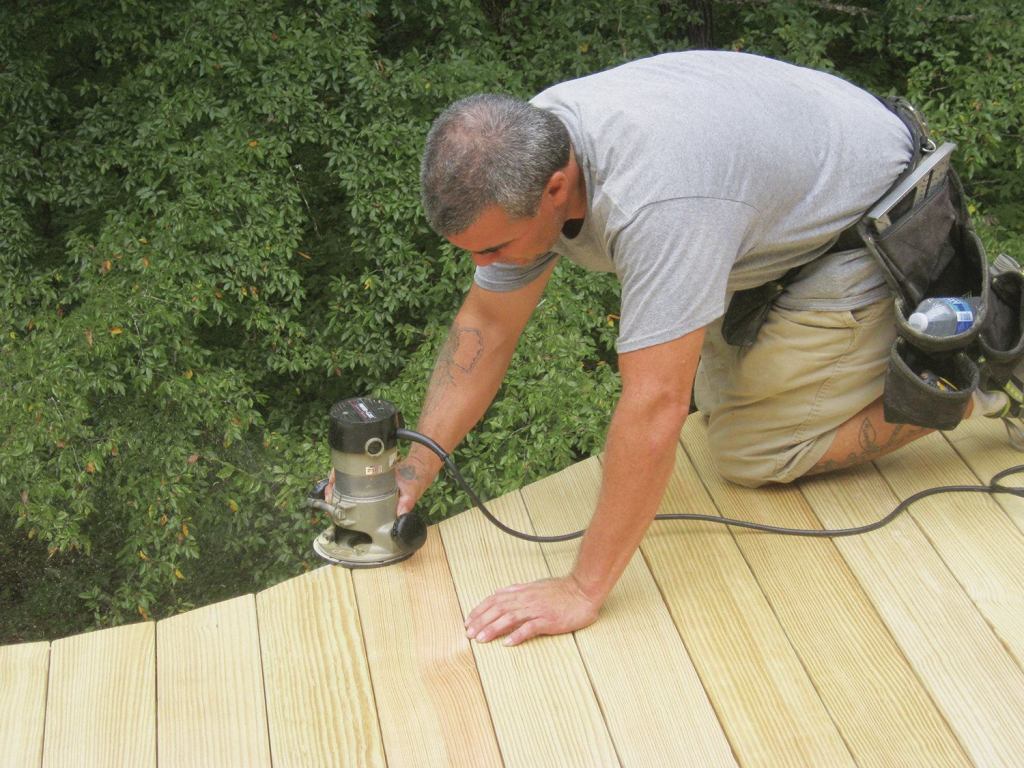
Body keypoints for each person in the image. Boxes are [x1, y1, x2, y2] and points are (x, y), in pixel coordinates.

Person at [393, 50, 1011, 647]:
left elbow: (656, 404)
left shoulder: (656, 203)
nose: (485, 265)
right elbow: (488, 325)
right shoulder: (525, 147)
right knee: (717, 401)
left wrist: (582, 588)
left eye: (494, 248)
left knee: (752, 451)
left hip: (869, 218)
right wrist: (415, 469)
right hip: (783, 190)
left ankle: (983, 376)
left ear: (556, 188)